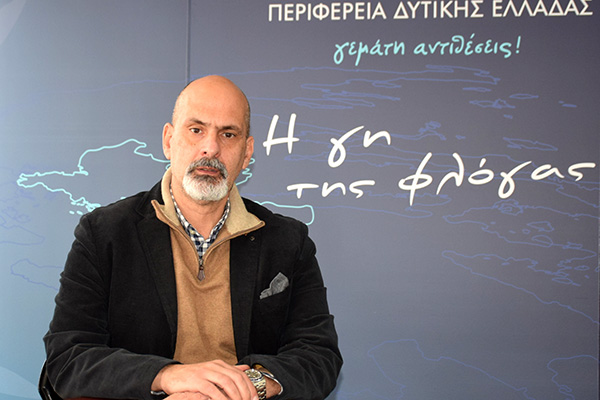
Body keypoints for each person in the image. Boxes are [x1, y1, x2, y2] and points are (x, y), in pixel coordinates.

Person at [43, 75, 342, 400]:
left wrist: (245, 387)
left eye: (228, 134)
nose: (210, 148)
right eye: (196, 130)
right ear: (169, 140)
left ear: (246, 153)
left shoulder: (288, 241)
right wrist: (167, 376)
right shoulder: (104, 233)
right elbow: (68, 356)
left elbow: (319, 355)